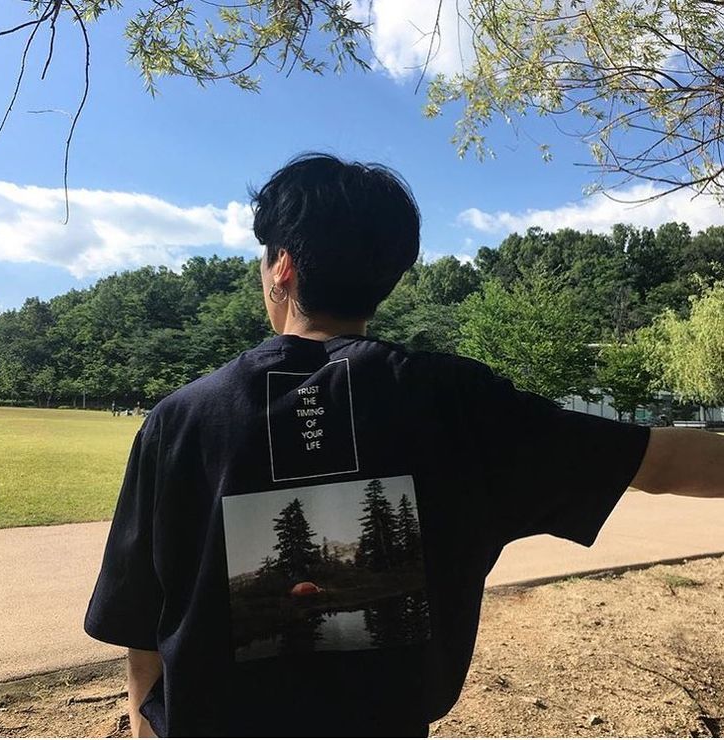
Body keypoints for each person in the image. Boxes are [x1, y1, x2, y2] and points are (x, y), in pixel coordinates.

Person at [84, 153, 724, 738]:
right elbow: (663, 459)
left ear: (283, 266)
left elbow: (141, 623)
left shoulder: (179, 420)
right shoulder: (459, 402)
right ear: (388, 272)